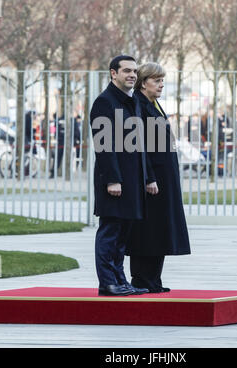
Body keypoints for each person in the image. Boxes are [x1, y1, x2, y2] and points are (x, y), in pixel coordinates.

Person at [125, 62, 191, 293]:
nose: (161, 85)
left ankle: (154, 280)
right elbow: (140, 147)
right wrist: (149, 177)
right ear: (144, 83)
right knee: (148, 230)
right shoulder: (139, 106)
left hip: (164, 177)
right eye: (157, 81)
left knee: (161, 228)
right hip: (152, 179)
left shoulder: (154, 104)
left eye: (162, 80)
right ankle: (142, 280)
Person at [90, 55, 149, 297]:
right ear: (113, 73)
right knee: (110, 232)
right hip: (114, 181)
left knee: (123, 234)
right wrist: (113, 179)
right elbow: (103, 146)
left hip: (132, 181)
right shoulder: (104, 102)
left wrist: (145, 178)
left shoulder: (132, 100)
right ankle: (107, 283)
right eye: (126, 71)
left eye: (134, 71)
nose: (132, 75)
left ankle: (120, 280)